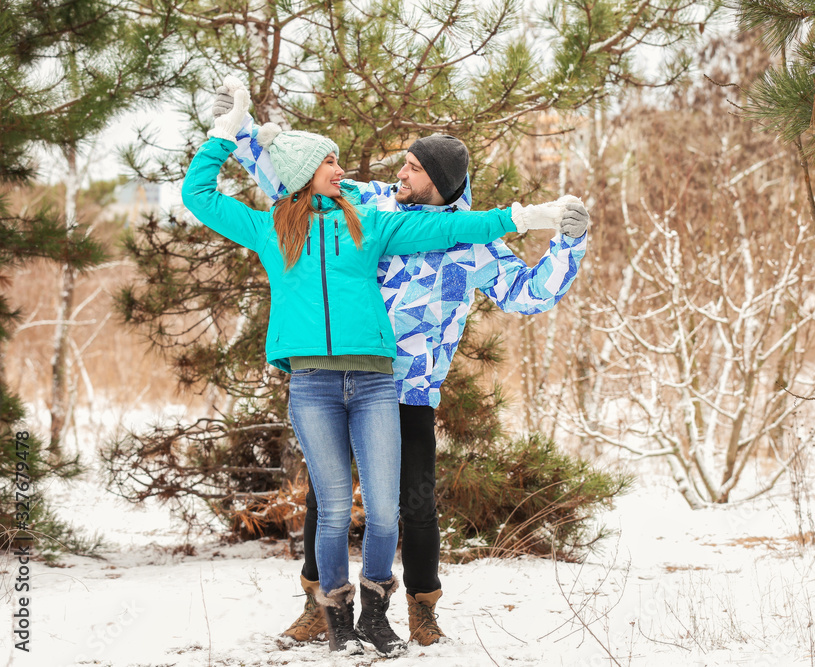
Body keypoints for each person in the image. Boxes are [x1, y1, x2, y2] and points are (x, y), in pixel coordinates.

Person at [185, 77, 587, 657]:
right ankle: (317, 606)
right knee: (329, 499)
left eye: (414, 168)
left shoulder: (475, 249)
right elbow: (293, 177)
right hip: (344, 374)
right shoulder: (368, 204)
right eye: (402, 164)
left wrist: (565, 243)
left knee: (413, 502)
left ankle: (421, 609)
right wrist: (238, 131)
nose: (400, 174)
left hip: (410, 388)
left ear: (440, 183)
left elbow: (530, 295)